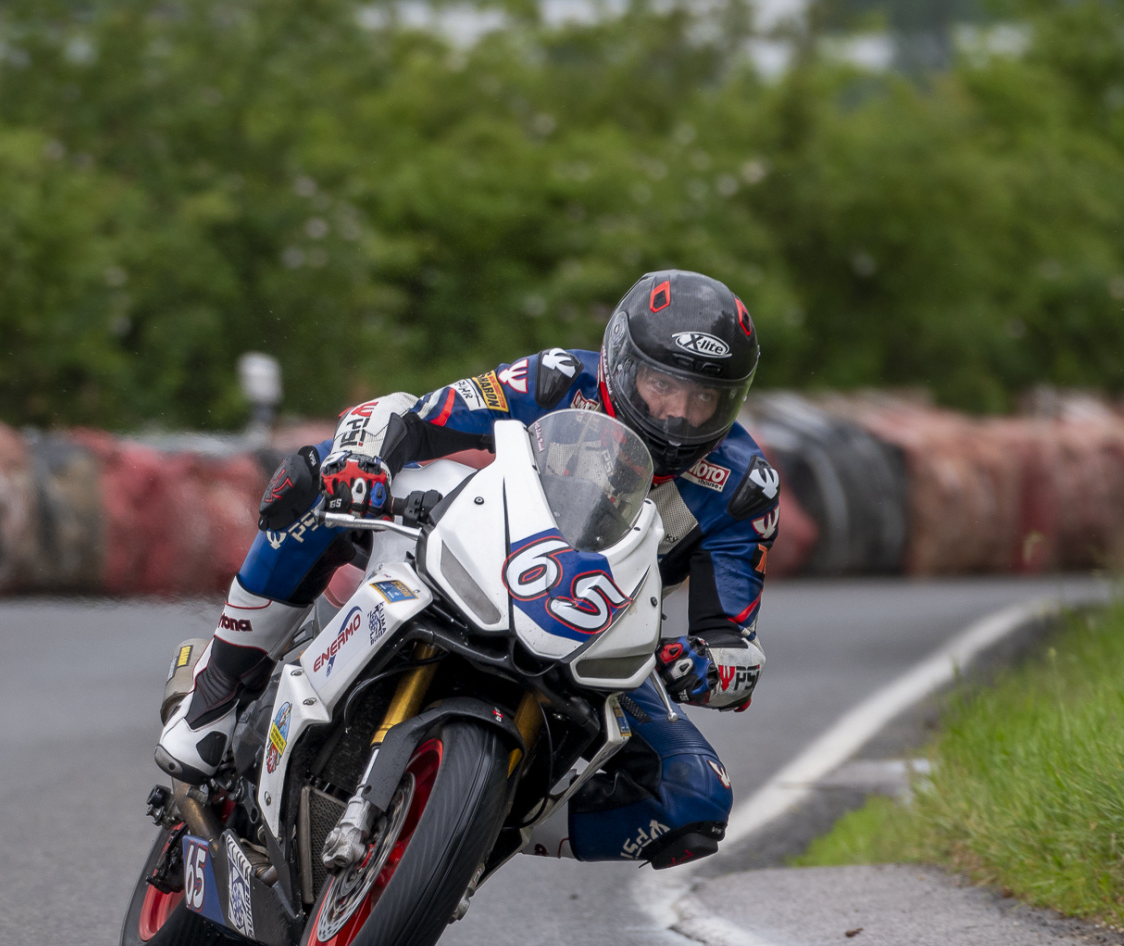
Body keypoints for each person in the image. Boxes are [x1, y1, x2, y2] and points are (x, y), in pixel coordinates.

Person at [156, 269, 778, 869]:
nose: (678, 415)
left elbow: (735, 646)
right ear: (621, 360)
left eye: (704, 399)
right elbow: (418, 416)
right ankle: (218, 688)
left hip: (598, 631)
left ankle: (478, 829)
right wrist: (364, 461)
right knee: (314, 476)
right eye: (662, 384)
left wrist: (702, 665)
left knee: (697, 800)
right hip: (488, 551)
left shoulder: (745, 487)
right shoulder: (559, 378)